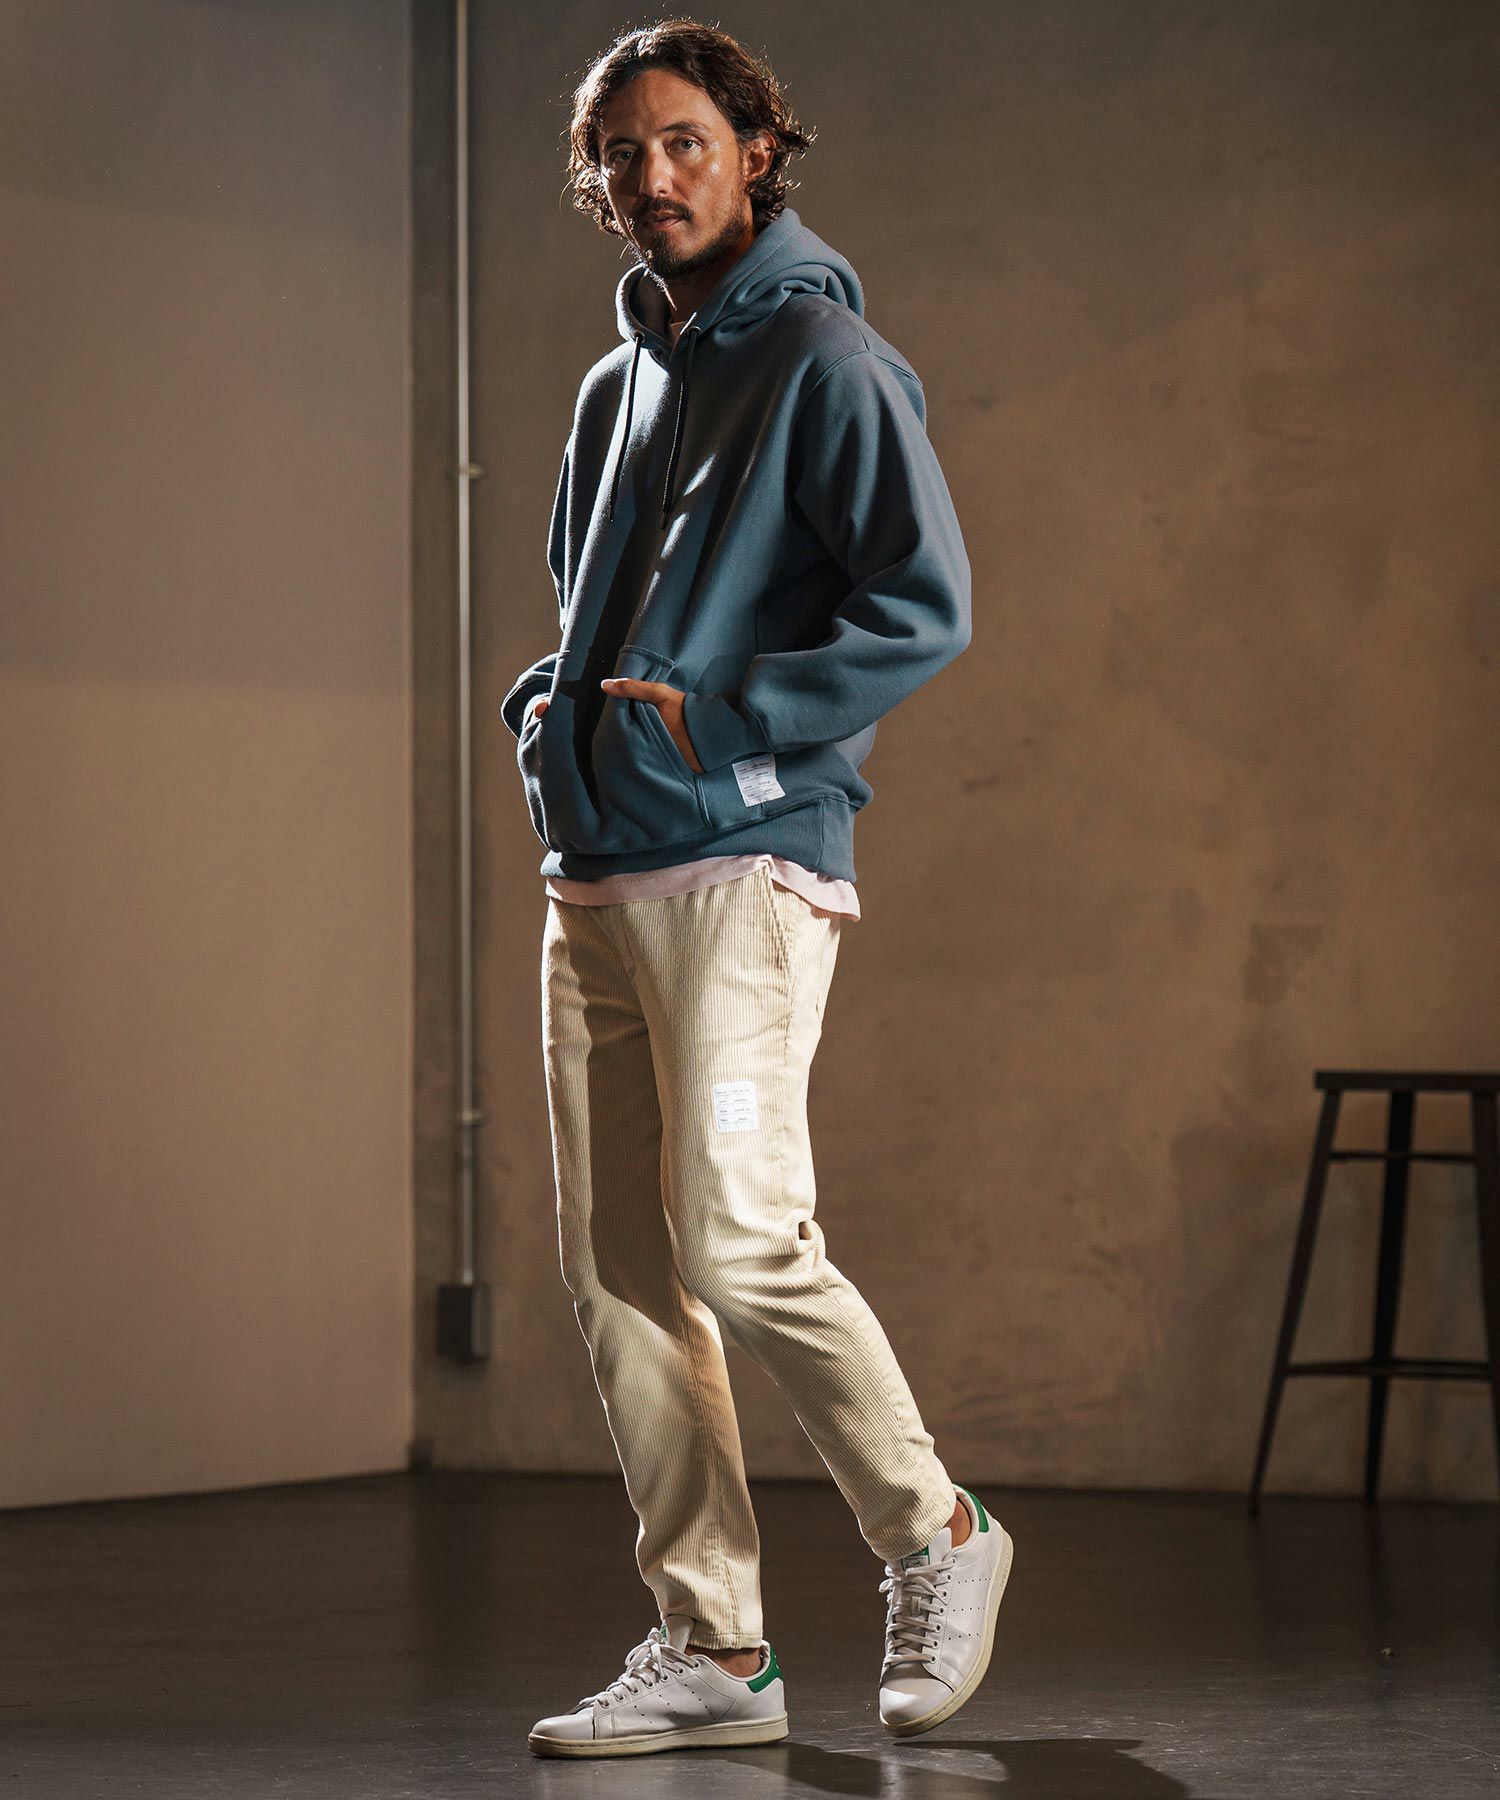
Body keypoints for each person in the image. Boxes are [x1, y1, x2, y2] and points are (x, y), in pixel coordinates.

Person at [500, 19, 1013, 1759]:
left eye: (686, 142)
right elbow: (589, 608)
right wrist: (553, 718)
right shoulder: (616, 387)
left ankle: (936, 1533)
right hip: (596, 872)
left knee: (738, 1234)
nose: (654, 176)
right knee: (620, 1272)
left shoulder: (827, 357)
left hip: (745, 858)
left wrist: (720, 721)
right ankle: (714, 1642)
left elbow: (922, 604)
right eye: (624, 153)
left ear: (756, 152)